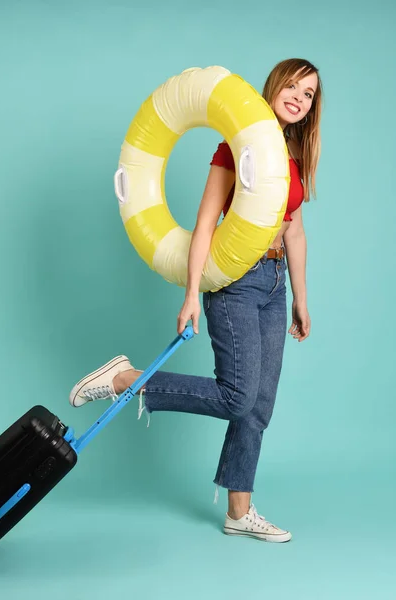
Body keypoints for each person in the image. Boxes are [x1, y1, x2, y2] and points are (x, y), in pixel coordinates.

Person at [69, 58, 322, 543]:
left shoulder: (289, 157)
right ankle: (124, 378)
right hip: (234, 284)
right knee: (237, 396)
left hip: (274, 284)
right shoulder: (237, 145)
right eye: (292, 86)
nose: (298, 98)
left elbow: (295, 230)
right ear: (273, 88)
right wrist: (190, 294)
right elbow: (205, 222)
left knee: (259, 406)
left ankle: (239, 512)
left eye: (308, 94)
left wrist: (302, 299)